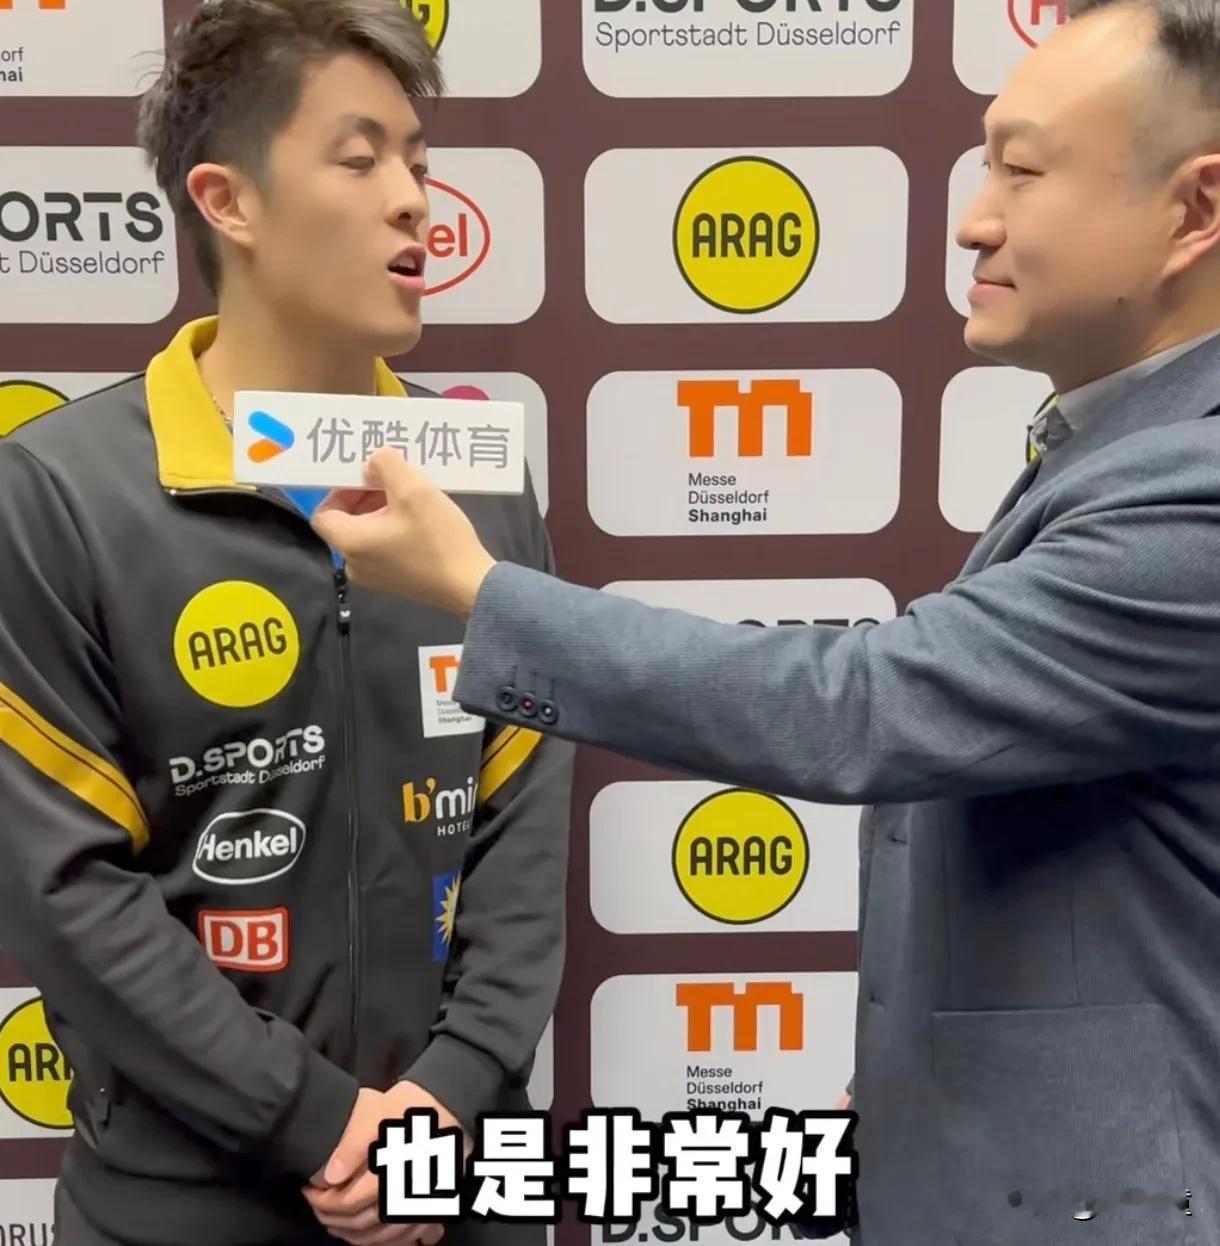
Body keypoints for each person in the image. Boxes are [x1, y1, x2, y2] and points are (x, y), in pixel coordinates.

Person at [312, 1, 1220, 1242]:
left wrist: (478, 589)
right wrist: (919, 1092)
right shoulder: (1110, 448)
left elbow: (866, 708)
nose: (973, 219)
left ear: (1192, 211)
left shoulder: (1190, 492)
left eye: (1021, 170)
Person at [0, 3, 572, 1245]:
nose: (414, 201)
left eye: (417, 161)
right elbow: (65, 888)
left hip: (463, 1179)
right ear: (228, 201)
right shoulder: (59, 493)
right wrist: (317, 1122)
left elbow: (522, 823)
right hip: (183, 1199)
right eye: (359, 160)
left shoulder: (475, 475)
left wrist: (446, 1099)